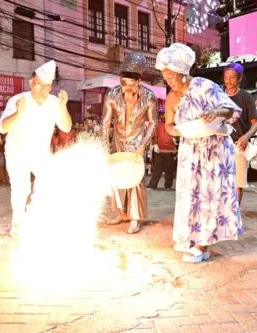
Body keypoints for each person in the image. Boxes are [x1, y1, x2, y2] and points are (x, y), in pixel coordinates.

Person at [155, 43, 244, 263]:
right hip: (190, 151)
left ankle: (203, 244)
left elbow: (231, 110)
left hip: (213, 151)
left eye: (170, 76)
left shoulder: (204, 86)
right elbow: (168, 125)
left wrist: (215, 111)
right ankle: (192, 237)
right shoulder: (173, 97)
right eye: (165, 76)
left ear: (181, 72)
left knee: (208, 195)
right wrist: (177, 131)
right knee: (189, 196)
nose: (168, 80)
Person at [0, 60, 72, 239]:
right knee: (20, 187)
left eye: (46, 87)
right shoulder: (17, 100)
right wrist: (18, 113)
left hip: (40, 152)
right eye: (39, 85)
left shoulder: (54, 102)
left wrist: (63, 108)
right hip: (17, 152)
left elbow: (66, 127)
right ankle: (18, 222)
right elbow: (2, 128)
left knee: (50, 182)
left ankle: (43, 218)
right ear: (31, 83)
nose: (42, 90)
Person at [102, 51, 158, 234]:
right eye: (124, 84)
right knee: (117, 176)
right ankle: (120, 212)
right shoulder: (112, 95)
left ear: (138, 83)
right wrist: (105, 145)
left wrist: (143, 144)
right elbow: (105, 121)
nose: (127, 89)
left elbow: (153, 122)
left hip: (136, 142)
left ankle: (135, 217)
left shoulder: (149, 97)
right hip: (118, 140)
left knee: (134, 179)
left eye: (131, 85)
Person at [223, 63, 257, 204]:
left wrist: (246, 137)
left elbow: (256, 123)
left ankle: (234, 214)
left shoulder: (246, 97)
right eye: (226, 77)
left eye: (232, 77)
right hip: (220, 145)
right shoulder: (219, 95)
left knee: (237, 184)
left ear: (239, 79)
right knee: (220, 182)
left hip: (239, 145)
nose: (228, 81)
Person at [146, 110, 176, 191]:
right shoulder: (158, 124)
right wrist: (155, 145)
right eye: (162, 114)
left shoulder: (172, 124)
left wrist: (175, 142)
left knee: (170, 170)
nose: (163, 116)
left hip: (170, 150)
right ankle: (153, 185)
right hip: (159, 150)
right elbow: (155, 136)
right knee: (157, 169)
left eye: (164, 114)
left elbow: (176, 135)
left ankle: (168, 186)